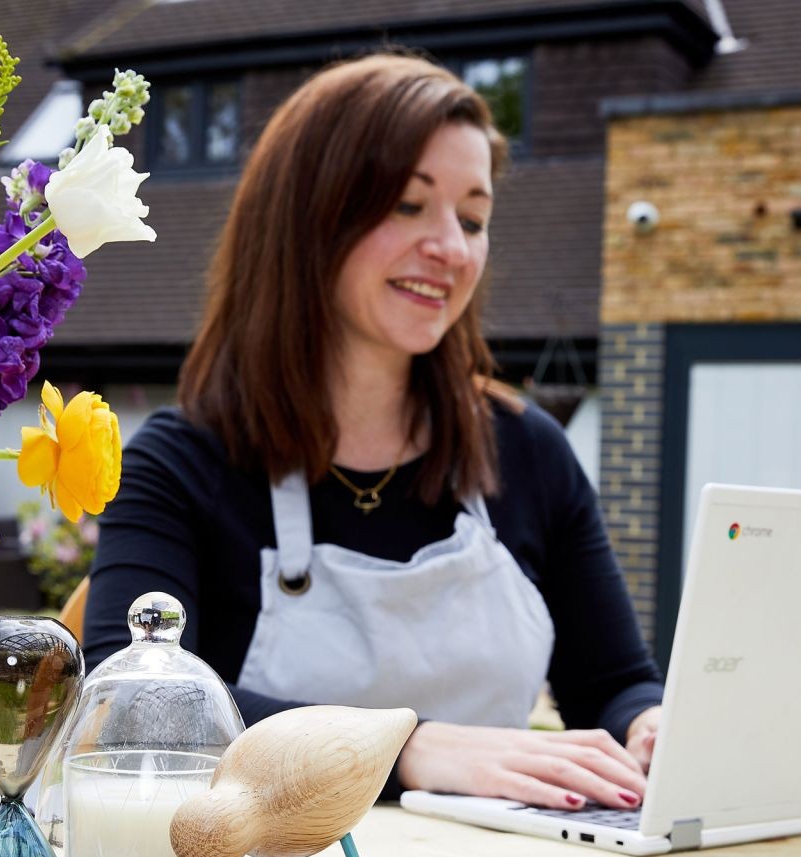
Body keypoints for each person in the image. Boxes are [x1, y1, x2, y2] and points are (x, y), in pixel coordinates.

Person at [81, 53, 663, 810]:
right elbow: (127, 710)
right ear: (308, 215)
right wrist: (403, 746)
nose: (453, 248)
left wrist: (651, 724)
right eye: (407, 206)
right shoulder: (181, 465)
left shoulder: (527, 449)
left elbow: (612, 684)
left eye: (474, 218)